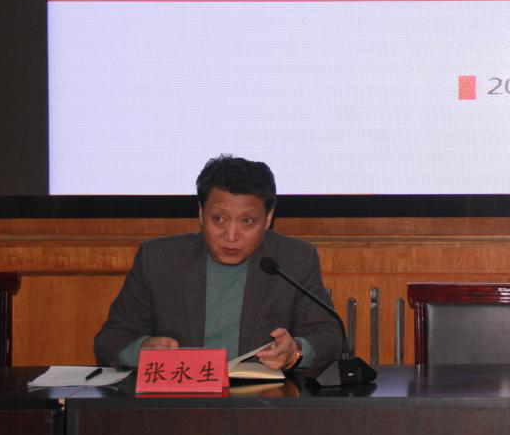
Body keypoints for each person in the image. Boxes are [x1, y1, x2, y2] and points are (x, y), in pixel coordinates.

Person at [94, 155, 340, 375]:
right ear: (201, 213)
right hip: (179, 400)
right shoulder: (159, 260)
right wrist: (143, 349)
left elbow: (329, 337)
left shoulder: (294, 259)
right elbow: (111, 338)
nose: (231, 235)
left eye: (247, 221)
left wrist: (295, 351)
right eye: (219, 219)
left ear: (268, 218)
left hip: (263, 401)